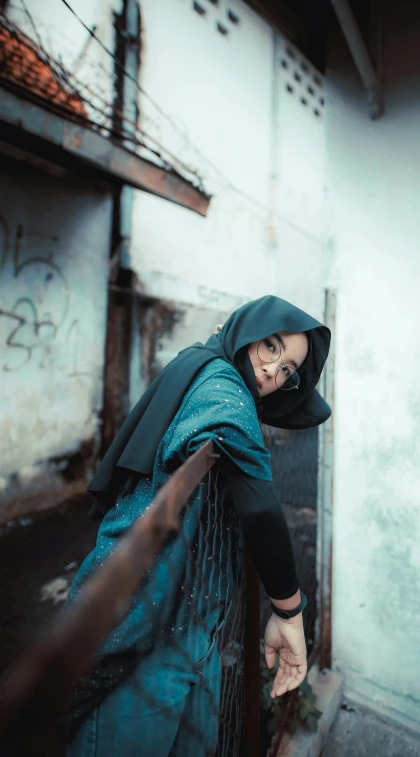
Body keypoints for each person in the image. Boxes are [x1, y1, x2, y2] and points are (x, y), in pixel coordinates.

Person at [62, 295, 331, 757]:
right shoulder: (221, 387)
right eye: (270, 347)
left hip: (183, 624)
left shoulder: (213, 374)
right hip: (136, 627)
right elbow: (260, 506)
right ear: (245, 331)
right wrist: (290, 612)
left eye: (288, 369)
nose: (274, 371)